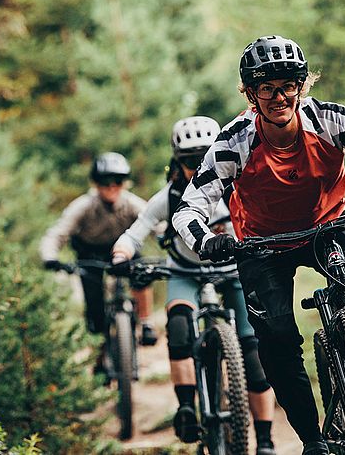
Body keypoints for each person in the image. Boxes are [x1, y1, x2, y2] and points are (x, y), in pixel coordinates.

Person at [171, 35, 345, 455]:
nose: (279, 96)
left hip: (330, 224)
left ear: (302, 85)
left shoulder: (330, 120)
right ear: (250, 93)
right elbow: (189, 207)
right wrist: (207, 241)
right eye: (266, 88)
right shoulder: (234, 141)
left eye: (288, 85)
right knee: (276, 337)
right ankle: (312, 438)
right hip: (262, 243)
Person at [112, 117, 278, 455]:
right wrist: (121, 254)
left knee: (254, 354)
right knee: (178, 327)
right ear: (177, 162)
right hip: (185, 270)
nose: (197, 166)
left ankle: (264, 439)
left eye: (205, 157)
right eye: (190, 160)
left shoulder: (239, 187)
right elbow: (136, 231)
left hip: (235, 271)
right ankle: (187, 406)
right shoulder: (170, 197)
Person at [41, 152, 158, 364]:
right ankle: (99, 356)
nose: (112, 187)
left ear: (125, 183)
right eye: (105, 182)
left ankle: (146, 322)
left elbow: (156, 225)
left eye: (118, 181)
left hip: (123, 251)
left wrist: (171, 239)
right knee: (94, 310)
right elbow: (57, 233)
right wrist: (50, 257)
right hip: (90, 254)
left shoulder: (132, 203)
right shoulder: (83, 205)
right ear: (95, 184)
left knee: (142, 275)